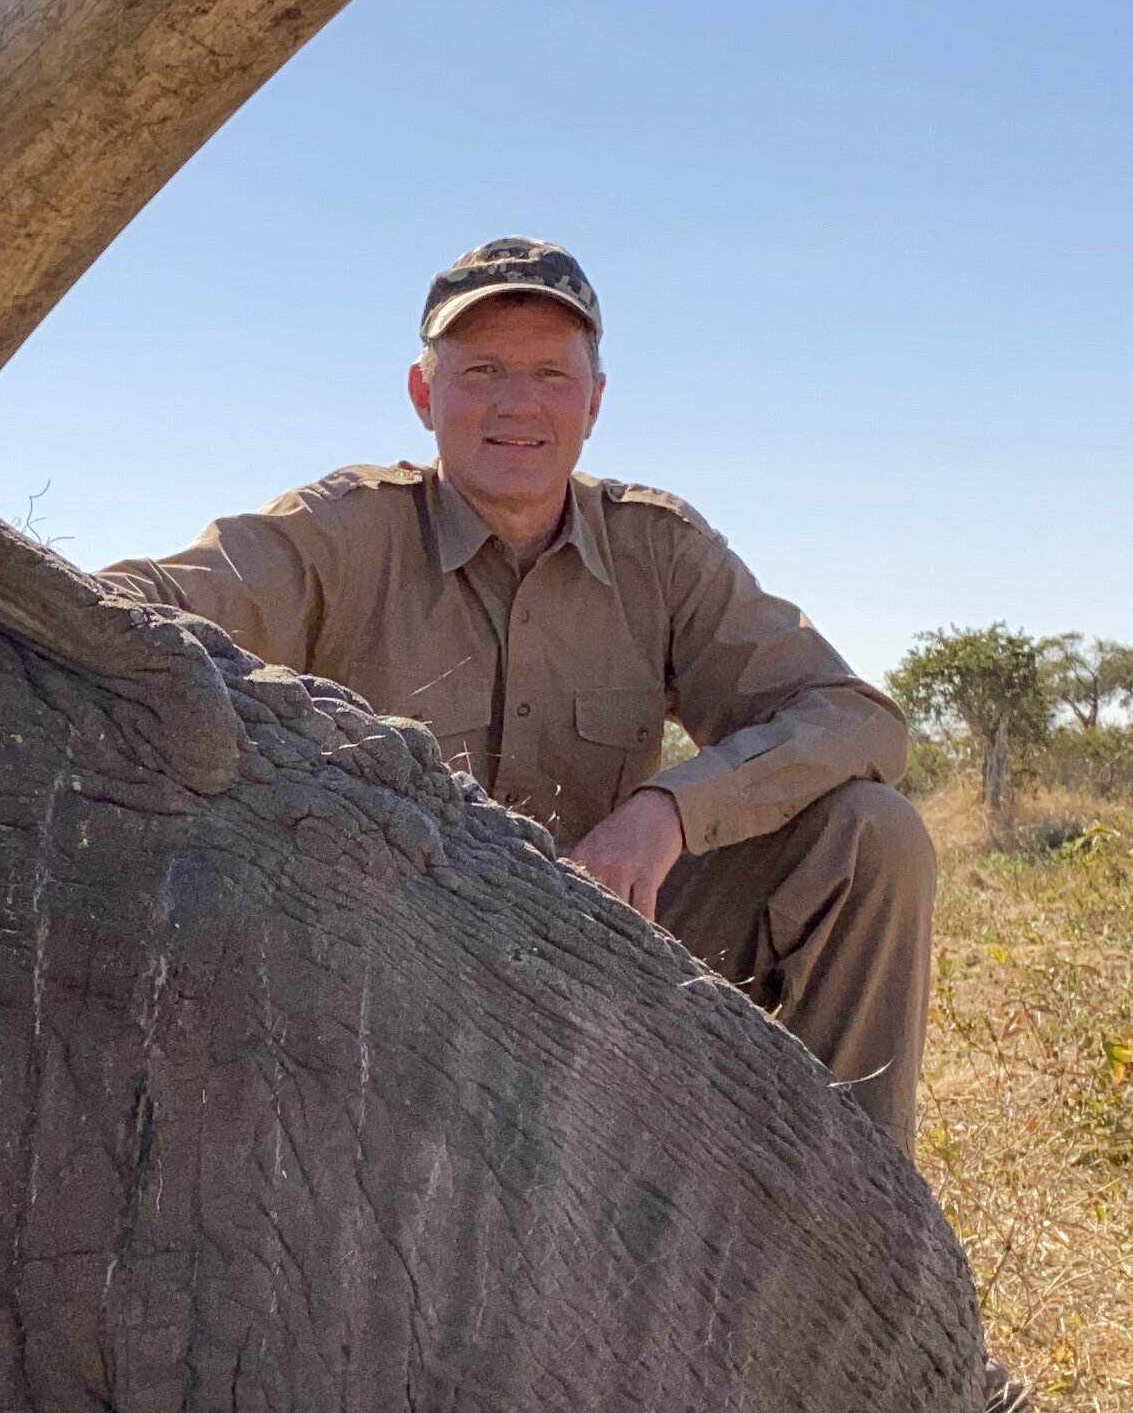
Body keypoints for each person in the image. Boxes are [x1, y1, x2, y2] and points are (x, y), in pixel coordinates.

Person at [106, 235, 935, 1149]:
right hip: (390, 971)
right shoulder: (342, 532)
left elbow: (856, 719)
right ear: (424, 394)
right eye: (483, 370)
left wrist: (666, 812)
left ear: (596, 401)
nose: (517, 404)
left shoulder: (658, 549)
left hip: (610, 948)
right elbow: (138, 606)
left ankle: (856, 1225)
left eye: (550, 373)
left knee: (871, 835)